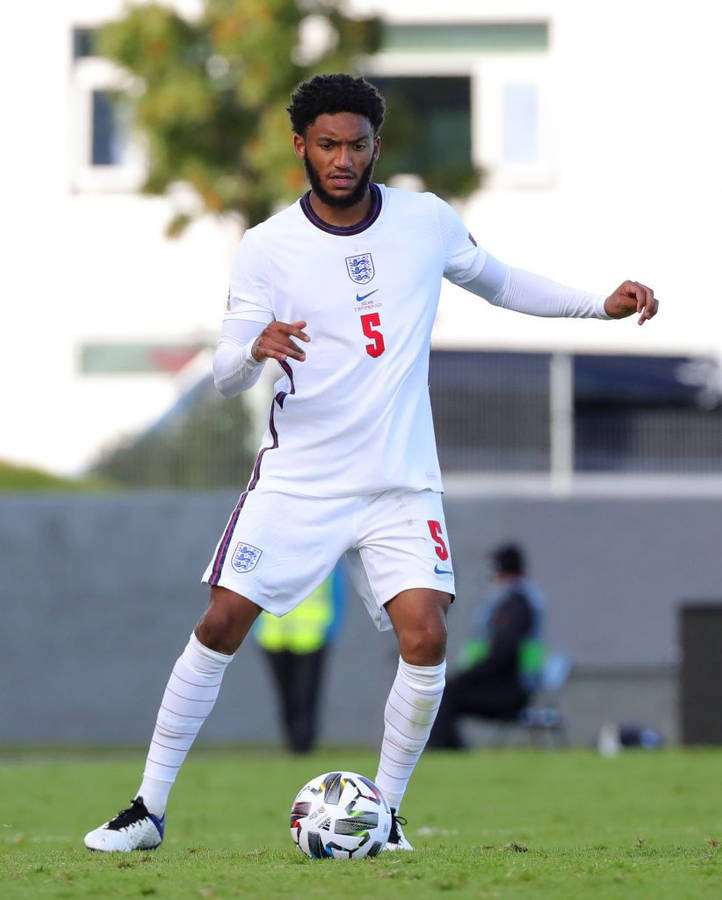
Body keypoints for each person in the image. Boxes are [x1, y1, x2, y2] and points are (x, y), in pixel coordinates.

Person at [84, 73, 658, 854]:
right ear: (301, 148)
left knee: (425, 638)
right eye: (328, 145)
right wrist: (252, 350)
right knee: (221, 622)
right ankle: (147, 810)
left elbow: (500, 282)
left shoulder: (425, 221)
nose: (343, 158)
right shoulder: (268, 247)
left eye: (357, 144)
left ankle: (382, 816)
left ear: (376, 146)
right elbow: (222, 370)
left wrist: (599, 303)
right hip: (300, 482)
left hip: (398, 482)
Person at [428, 543, 544, 749]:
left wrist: (467, 676)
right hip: (506, 684)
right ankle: (451, 752)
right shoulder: (517, 601)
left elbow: (502, 654)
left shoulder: (516, 604)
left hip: (511, 690)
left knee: (445, 693)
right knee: (447, 691)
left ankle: (446, 753)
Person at [253, 568, 345, 754]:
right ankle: (291, 742)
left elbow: (337, 595)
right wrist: (257, 629)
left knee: (306, 693)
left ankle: (303, 744)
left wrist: (331, 630)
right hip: (273, 636)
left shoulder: (326, 555)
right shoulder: (268, 553)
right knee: (284, 693)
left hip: (311, 636)